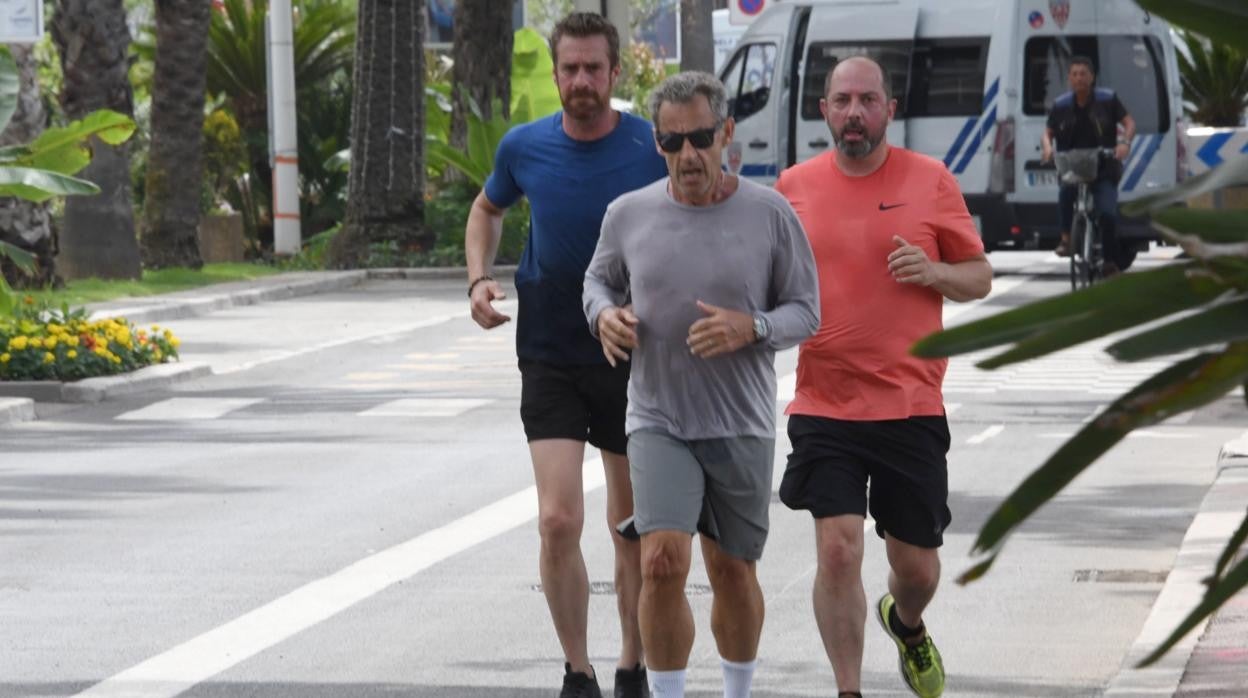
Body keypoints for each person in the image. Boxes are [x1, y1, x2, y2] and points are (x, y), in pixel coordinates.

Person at [584, 71, 820, 698]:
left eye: (700, 138)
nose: (688, 155)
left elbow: (806, 309)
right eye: (671, 143)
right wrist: (604, 315)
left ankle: (737, 690)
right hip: (658, 418)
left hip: (740, 422)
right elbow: (598, 283)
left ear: (727, 134)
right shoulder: (628, 215)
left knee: (733, 572)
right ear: (657, 144)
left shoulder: (769, 213)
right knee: (661, 561)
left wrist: (754, 326)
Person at [463, 12, 668, 698]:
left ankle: (632, 666)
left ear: (615, 73)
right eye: (569, 69)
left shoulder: (649, 145)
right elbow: (487, 211)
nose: (581, 81)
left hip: (632, 349)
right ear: (555, 75)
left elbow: (695, 208)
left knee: (629, 525)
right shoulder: (525, 147)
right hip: (549, 344)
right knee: (557, 520)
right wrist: (478, 278)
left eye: (593, 69)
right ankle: (578, 670)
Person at [775, 56, 993, 698]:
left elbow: (978, 277)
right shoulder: (795, 185)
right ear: (824, 109)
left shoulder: (930, 180)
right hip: (824, 402)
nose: (853, 113)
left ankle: (907, 622)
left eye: (867, 100)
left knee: (918, 568)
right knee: (838, 550)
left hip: (909, 403)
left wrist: (935, 273)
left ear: (889, 110)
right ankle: (849, 689)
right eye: (841, 100)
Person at [1041, 56, 1136, 272]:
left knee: (1107, 214)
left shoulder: (1108, 100)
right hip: (1073, 168)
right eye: (1074, 74)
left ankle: (1110, 261)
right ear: (1069, 79)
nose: (1079, 78)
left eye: (1083, 74)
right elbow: (1048, 132)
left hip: (1103, 168)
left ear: (1092, 77)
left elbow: (1129, 122)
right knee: (1065, 194)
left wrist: (1124, 142)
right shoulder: (1061, 105)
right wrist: (1048, 147)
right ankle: (1066, 239)